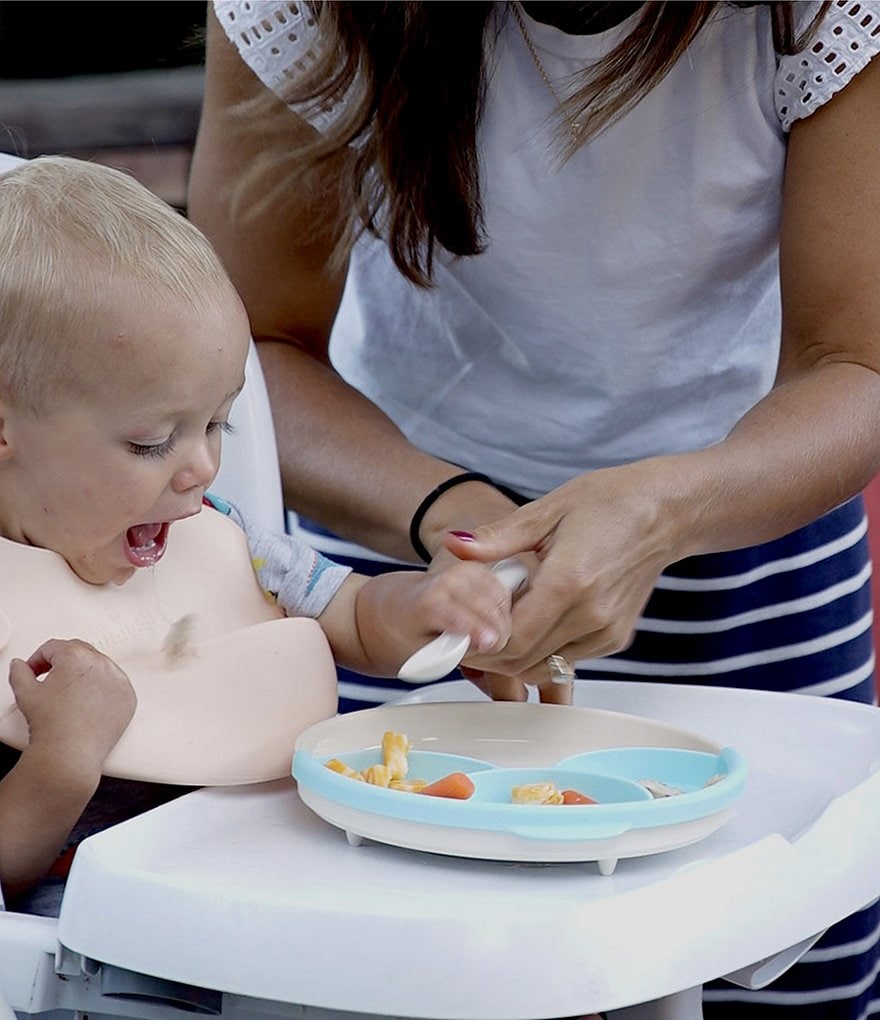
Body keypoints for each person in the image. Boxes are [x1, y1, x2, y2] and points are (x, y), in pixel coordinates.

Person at [188, 1, 880, 1016]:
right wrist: (457, 524)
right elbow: (250, 352)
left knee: (781, 978)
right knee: (397, 976)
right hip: (401, 581)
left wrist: (667, 508)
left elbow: (855, 362)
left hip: (752, 557)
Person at [0, 155, 519, 914]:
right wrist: (63, 758)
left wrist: (430, 609)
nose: (203, 468)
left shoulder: (225, 541)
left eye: (218, 424)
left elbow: (357, 619)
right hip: (107, 947)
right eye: (151, 442)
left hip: (290, 884)